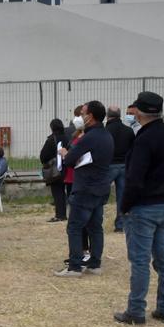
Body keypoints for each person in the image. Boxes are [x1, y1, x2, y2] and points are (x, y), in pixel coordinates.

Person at [114, 92, 164, 324]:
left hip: (143, 207)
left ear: (139, 112)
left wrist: (125, 206)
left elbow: (134, 178)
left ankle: (136, 310)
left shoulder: (144, 139)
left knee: (140, 261)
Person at [55, 101, 113, 277]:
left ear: (91, 116)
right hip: (101, 187)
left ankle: (75, 266)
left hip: (85, 188)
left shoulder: (88, 137)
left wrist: (64, 153)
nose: (80, 117)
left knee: (75, 227)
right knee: (95, 227)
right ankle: (95, 264)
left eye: (83, 113)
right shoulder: (107, 136)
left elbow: (70, 160)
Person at [106, 106, 135, 232]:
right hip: (124, 166)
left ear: (108, 116)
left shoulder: (105, 130)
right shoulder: (128, 131)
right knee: (122, 196)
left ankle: (96, 221)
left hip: (108, 165)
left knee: (100, 193)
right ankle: (120, 225)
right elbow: (133, 149)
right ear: (120, 115)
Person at [40, 118, 68, 222]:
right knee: (66, 192)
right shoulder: (67, 137)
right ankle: (65, 213)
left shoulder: (51, 139)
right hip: (67, 168)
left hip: (56, 170)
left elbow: (43, 156)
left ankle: (60, 215)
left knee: (57, 192)